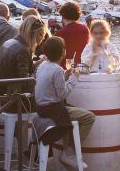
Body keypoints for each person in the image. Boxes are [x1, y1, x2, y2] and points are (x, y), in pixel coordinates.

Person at [35, 37, 95, 169]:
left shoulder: (43, 65)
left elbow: (50, 85)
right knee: (89, 117)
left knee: (72, 111)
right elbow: (62, 95)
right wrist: (74, 78)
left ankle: (68, 150)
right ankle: (69, 151)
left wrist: (66, 75)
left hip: (40, 107)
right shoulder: (56, 69)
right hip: (52, 109)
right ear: (63, 52)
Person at [0, 15, 47, 112]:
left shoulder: (9, 42)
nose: (43, 38)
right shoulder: (23, 49)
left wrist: (38, 63)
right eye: (41, 34)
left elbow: (17, 70)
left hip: (2, 95)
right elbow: (25, 82)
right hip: (15, 101)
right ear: (32, 34)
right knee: (51, 102)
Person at [55, 2, 90, 68]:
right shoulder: (85, 29)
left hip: (65, 67)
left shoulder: (61, 33)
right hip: (82, 66)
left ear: (63, 15)